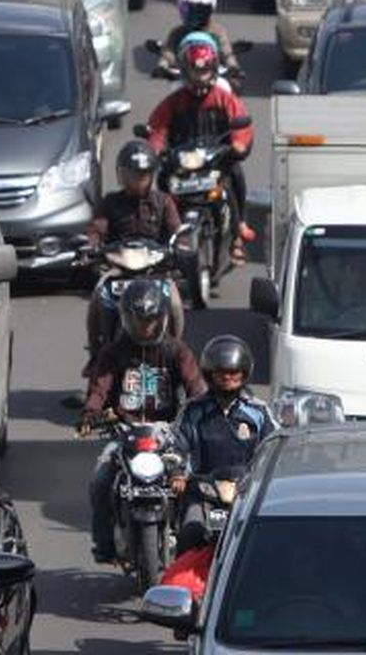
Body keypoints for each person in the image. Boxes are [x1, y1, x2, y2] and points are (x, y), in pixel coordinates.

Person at [78, 280, 206, 563]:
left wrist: (202, 412)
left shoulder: (177, 351)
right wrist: (90, 414)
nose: (145, 327)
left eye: (150, 321)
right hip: (125, 432)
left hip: (168, 433)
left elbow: (196, 386)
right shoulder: (113, 353)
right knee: (100, 481)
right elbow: (99, 389)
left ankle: (195, 545)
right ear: (126, 319)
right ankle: (104, 543)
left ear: (162, 318)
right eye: (139, 321)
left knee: (192, 483)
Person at [147, 33, 256, 264]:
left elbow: (241, 121)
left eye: (205, 71)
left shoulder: (223, 98)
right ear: (186, 70)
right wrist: (156, 149)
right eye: (196, 71)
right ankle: (163, 231)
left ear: (214, 68)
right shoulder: (174, 101)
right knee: (162, 182)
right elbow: (158, 127)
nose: (200, 77)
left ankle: (238, 230)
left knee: (235, 174)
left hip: (216, 160)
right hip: (182, 162)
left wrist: (237, 144)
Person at [84, 141, 185, 372]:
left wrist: (180, 247)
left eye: (142, 175)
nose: (136, 180)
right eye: (131, 175)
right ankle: (95, 354)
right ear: (121, 175)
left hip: (156, 270)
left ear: (151, 176)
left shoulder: (164, 201)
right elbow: (96, 230)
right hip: (118, 267)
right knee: (98, 296)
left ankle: (176, 351)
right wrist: (92, 247)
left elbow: (178, 233)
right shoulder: (110, 202)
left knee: (176, 302)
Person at [171, 335, 276, 554]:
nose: (228, 377)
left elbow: (275, 447)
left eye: (234, 372)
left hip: (248, 491)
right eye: (221, 373)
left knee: (270, 538)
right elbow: (177, 444)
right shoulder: (193, 411)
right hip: (203, 492)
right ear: (210, 374)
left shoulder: (259, 411)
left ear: (244, 374)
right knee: (191, 531)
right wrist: (177, 471)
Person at [155, 0, 242, 79]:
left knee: (233, 87)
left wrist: (233, 67)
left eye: (200, 11)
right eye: (188, 9)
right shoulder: (177, 32)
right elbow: (169, 53)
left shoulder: (218, 31)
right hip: (185, 77)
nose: (194, 15)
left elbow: (226, 52)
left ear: (210, 10)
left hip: (212, 76)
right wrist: (162, 67)